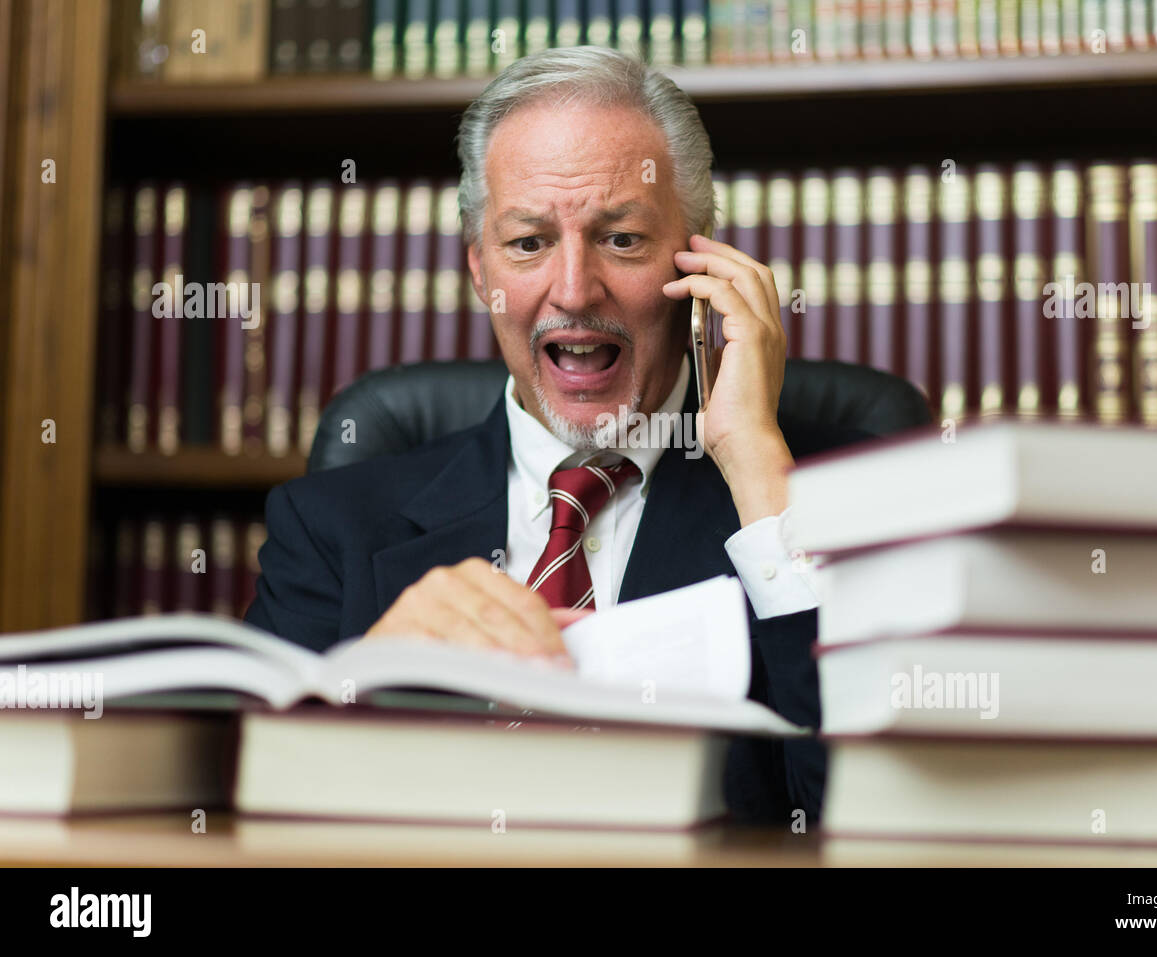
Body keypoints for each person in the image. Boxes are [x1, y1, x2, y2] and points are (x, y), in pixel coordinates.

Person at [246, 45, 887, 822]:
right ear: (481, 273)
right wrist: (368, 680)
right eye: (528, 243)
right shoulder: (329, 527)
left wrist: (756, 466)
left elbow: (869, 814)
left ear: (702, 263)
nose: (575, 291)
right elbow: (251, 821)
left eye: (622, 239)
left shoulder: (835, 505)